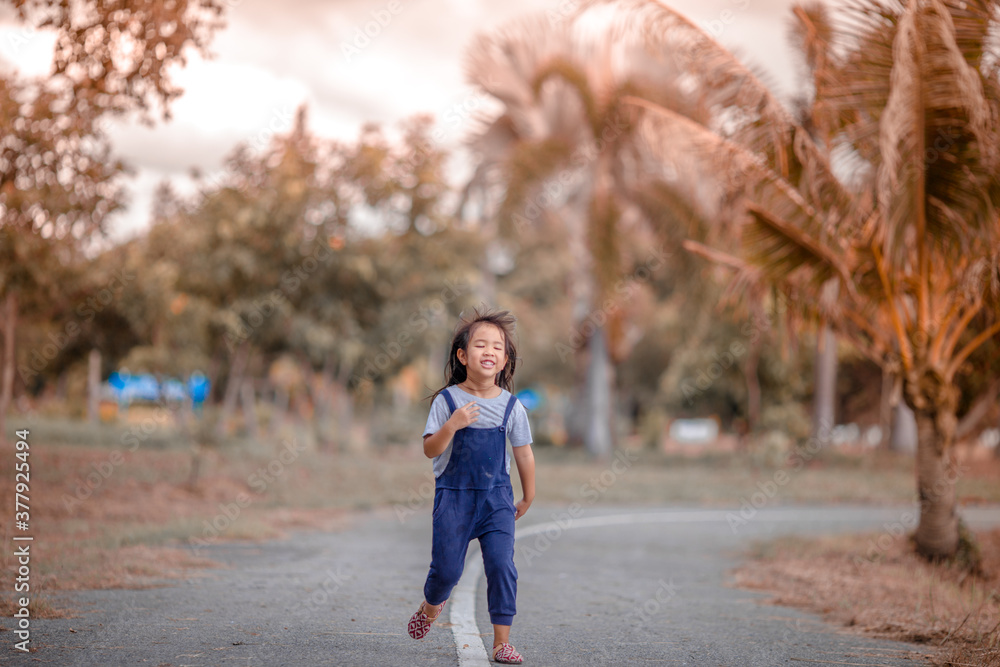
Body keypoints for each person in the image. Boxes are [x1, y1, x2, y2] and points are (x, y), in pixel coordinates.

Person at [407, 307, 535, 665]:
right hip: (454, 499)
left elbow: (524, 455)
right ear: (463, 356)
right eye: (480, 345)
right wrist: (453, 424)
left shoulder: (512, 407)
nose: (489, 351)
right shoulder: (447, 402)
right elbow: (429, 448)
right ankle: (432, 606)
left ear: (506, 358)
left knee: (501, 565)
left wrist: (529, 494)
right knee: (447, 570)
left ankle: (501, 643)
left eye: (498, 346)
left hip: (497, 501)